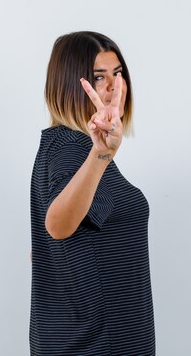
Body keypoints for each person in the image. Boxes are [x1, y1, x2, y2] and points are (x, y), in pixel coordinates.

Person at [29, 31, 155, 355]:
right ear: (72, 84)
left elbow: (49, 248)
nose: (113, 87)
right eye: (100, 77)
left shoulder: (60, 145)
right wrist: (100, 155)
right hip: (98, 344)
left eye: (118, 73)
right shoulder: (74, 149)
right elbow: (57, 225)